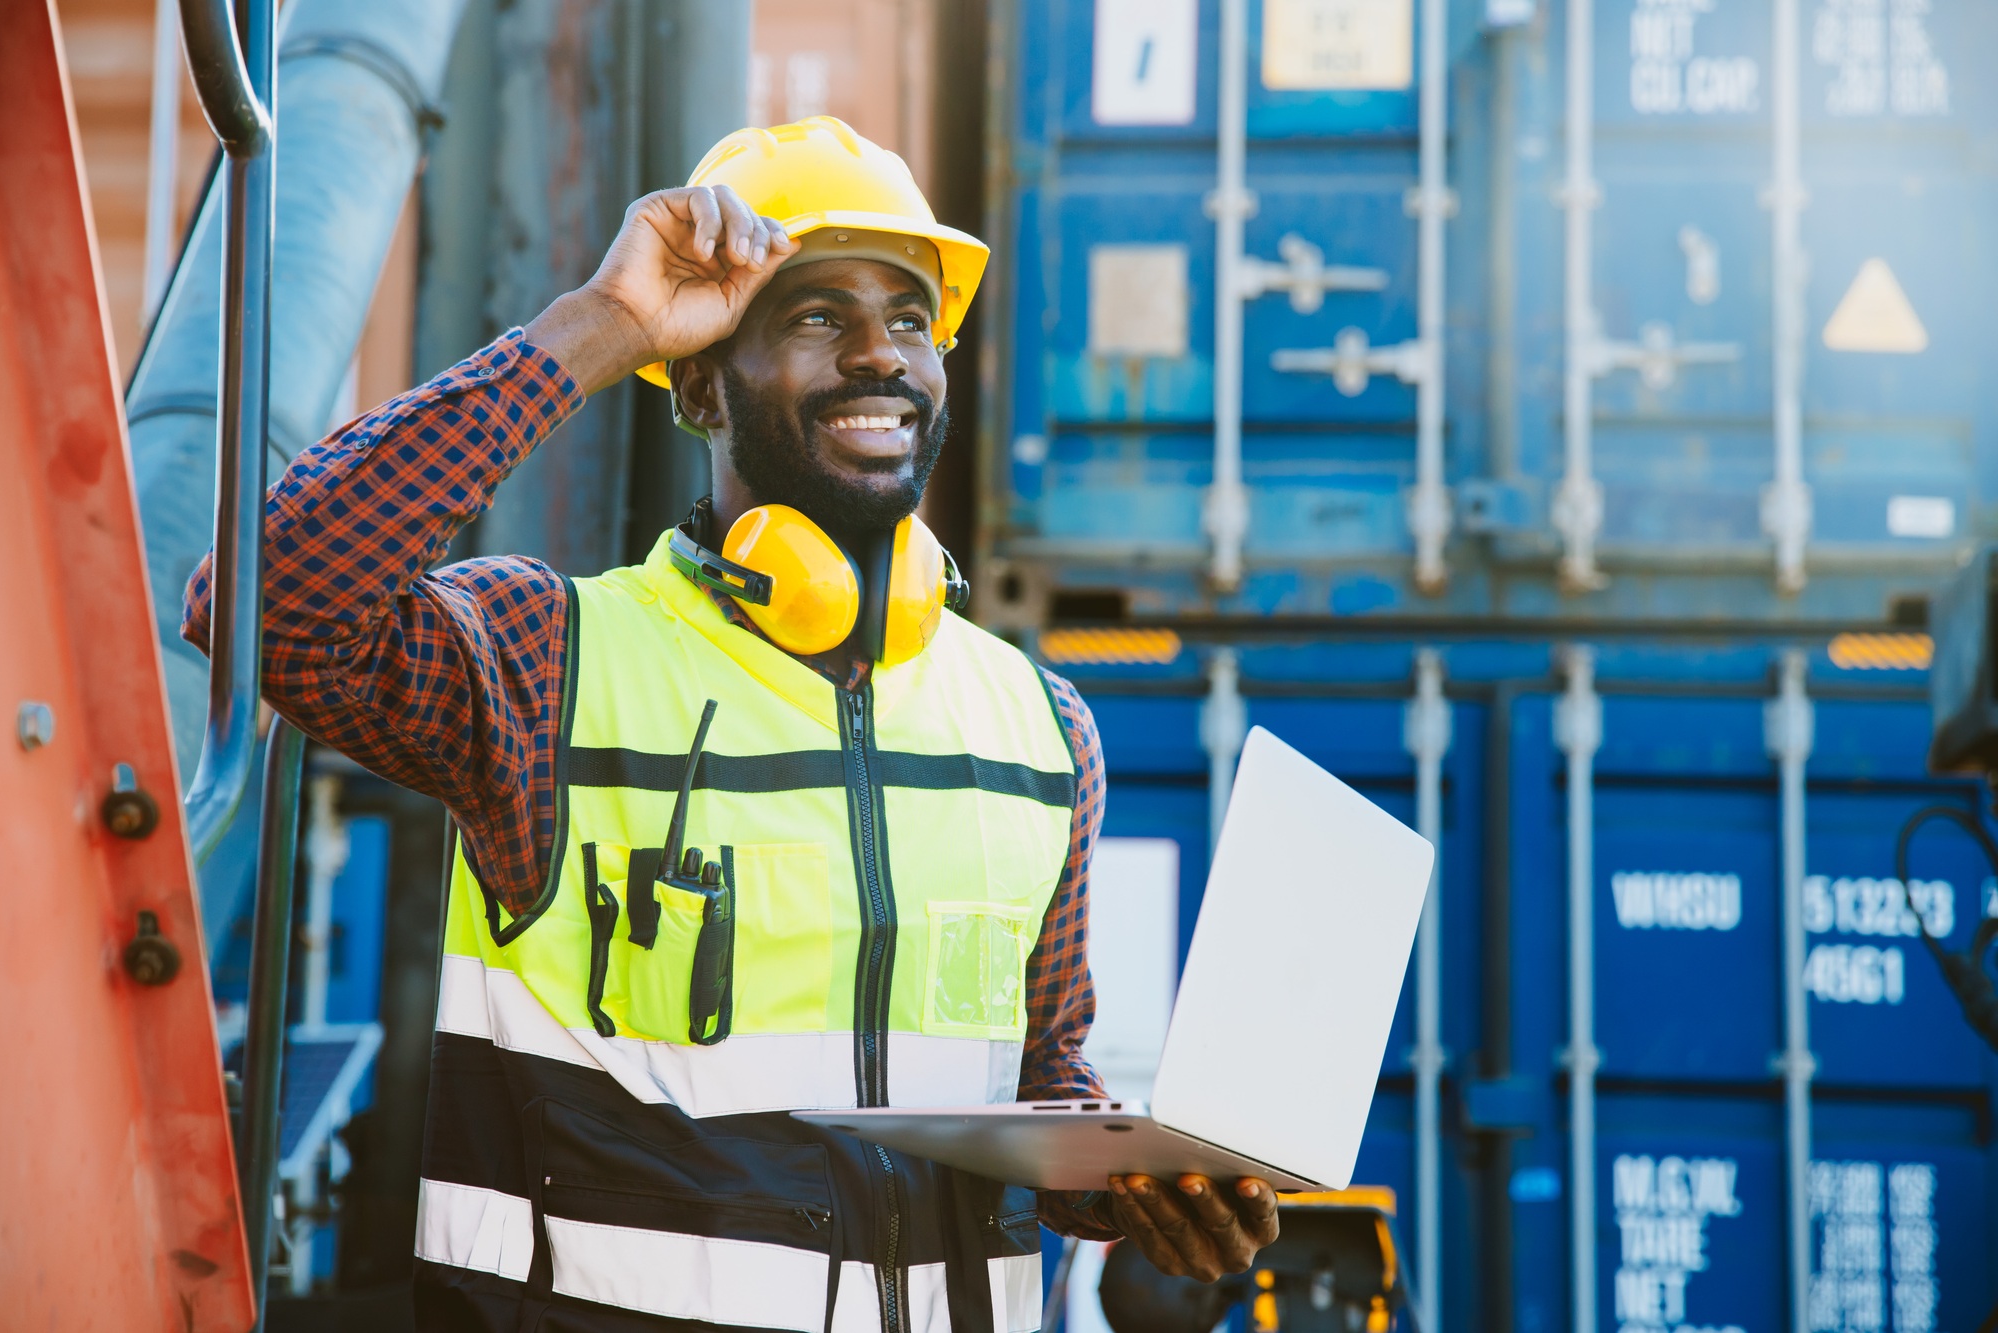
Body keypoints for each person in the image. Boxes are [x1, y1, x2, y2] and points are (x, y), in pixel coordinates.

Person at [186, 117, 1276, 1333]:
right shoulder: (549, 661)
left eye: (909, 318)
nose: (879, 355)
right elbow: (266, 601)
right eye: (815, 316)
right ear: (698, 379)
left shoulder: (1037, 725)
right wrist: (602, 324)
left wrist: (1125, 1181)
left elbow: (1037, 1074)